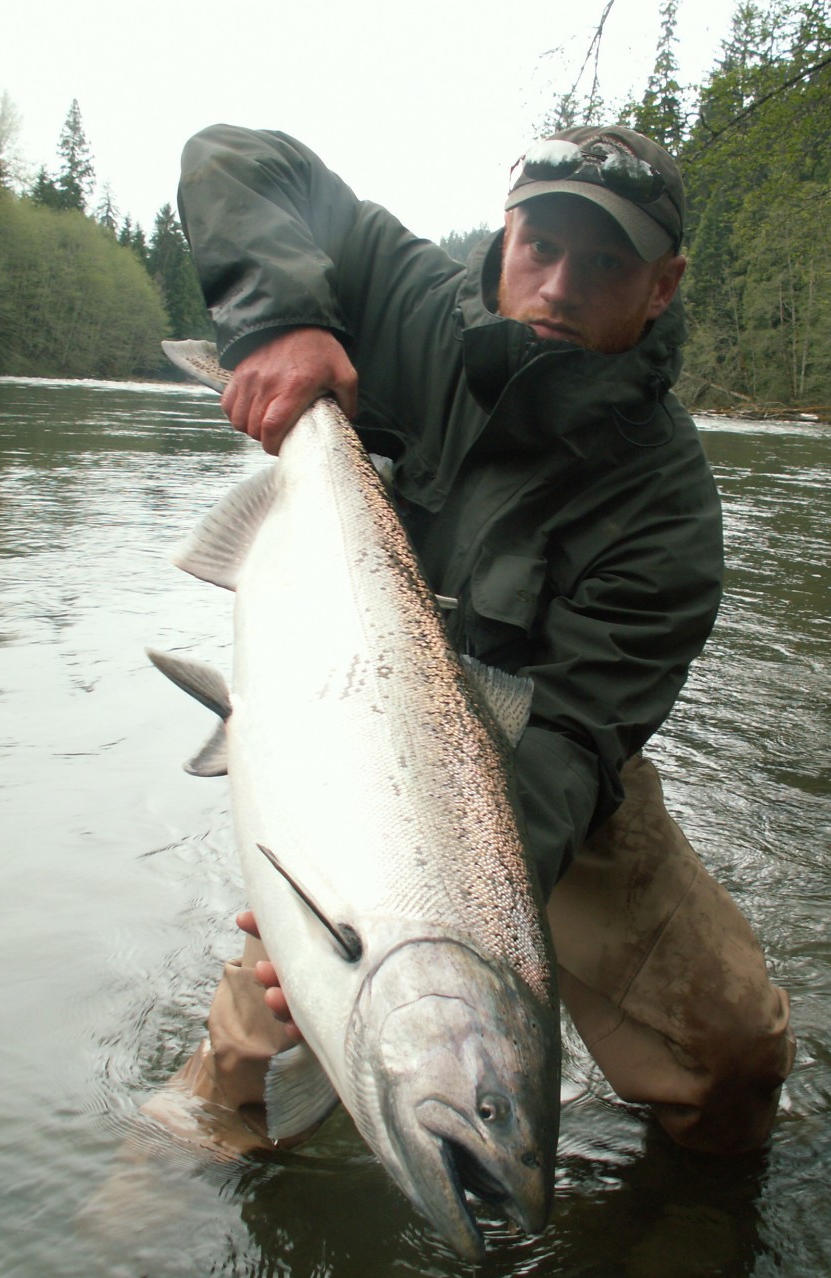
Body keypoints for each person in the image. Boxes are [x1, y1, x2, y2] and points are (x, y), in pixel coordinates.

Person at [149, 122, 794, 1159]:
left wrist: (447, 928)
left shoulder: (668, 511)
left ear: (663, 286)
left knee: (733, 1050)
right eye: (540, 246)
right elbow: (236, 159)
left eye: (605, 263)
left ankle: (676, 1239)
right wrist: (278, 324)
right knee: (255, 1058)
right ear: (504, 237)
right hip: (341, 726)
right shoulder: (410, 305)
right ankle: (166, 1161)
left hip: (544, 792)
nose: (558, 285)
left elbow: (570, 740)